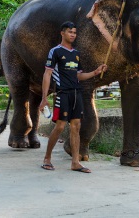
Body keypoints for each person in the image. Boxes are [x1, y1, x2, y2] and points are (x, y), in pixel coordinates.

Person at [39, 21, 107, 173]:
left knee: (76, 127)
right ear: (62, 33)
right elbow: (47, 74)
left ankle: (75, 162)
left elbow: (79, 76)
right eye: (70, 32)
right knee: (60, 126)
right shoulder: (55, 52)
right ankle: (47, 159)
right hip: (62, 93)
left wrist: (95, 72)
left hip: (77, 94)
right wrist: (44, 98)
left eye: (75, 33)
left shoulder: (76, 54)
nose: (73, 35)